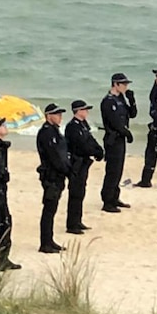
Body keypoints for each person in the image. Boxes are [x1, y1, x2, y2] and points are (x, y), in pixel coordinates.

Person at [0, 118, 21, 270]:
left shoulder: (2, 147)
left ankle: (3, 258)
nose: (6, 128)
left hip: (1, 191)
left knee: (6, 223)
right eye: (2, 126)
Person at [64, 100, 104, 234]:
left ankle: (78, 220)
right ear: (78, 111)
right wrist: (93, 151)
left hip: (84, 162)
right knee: (75, 192)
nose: (87, 112)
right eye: (85, 109)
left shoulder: (83, 125)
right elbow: (80, 145)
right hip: (77, 162)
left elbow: (89, 139)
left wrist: (98, 150)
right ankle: (72, 224)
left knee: (81, 191)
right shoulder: (72, 127)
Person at [100, 73, 138, 213]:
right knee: (112, 170)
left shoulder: (121, 98)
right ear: (115, 84)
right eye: (123, 84)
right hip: (113, 138)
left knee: (119, 169)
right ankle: (107, 200)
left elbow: (132, 114)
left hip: (120, 138)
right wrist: (126, 133)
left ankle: (115, 197)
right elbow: (114, 122)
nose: (126, 87)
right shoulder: (108, 101)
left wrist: (132, 100)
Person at [36, 103, 71, 253]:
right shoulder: (46, 133)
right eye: (56, 114)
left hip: (58, 175)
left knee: (53, 208)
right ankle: (45, 242)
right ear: (49, 116)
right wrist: (66, 170)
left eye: (60, 114)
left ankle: (49, 240)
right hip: (51, 175)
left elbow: (62, 153)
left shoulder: (55, 131)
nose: (60, 117)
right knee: (49, 208)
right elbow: (53, 156)